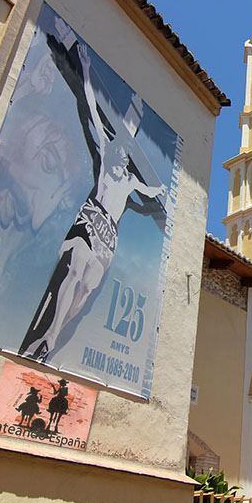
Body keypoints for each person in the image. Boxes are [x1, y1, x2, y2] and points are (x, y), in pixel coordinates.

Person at [18, 21, 166, 362]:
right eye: (119, 151)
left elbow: (149, 189)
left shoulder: (129, 181)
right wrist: (84, 68)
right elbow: (90, 109)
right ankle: (46, 336)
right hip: (92, 221)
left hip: (108, 238)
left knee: (85, 292)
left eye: (125, 154)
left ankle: (54, 335)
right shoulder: (106, 161)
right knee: (72, 272)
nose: (122, 155)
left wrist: (161, 191)